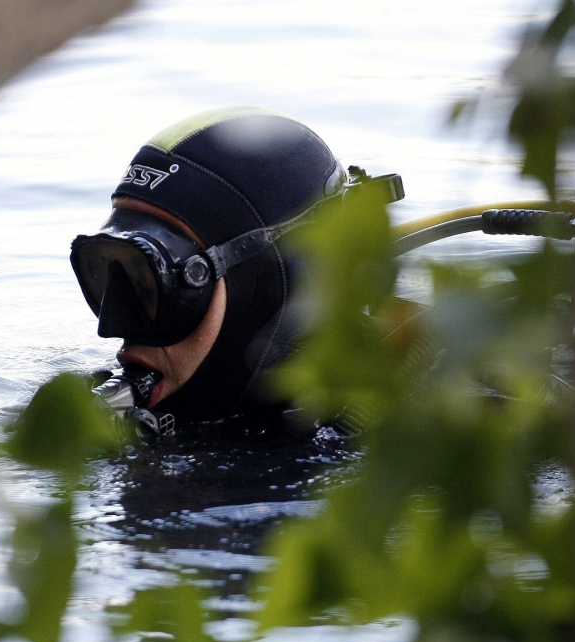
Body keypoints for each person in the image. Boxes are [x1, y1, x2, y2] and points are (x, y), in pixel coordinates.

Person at [70, 107, 372, 436]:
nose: (113, 324)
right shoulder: (93, 414)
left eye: (152, 284)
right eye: (115, 278)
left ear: (263, 293)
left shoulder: (387, 445)